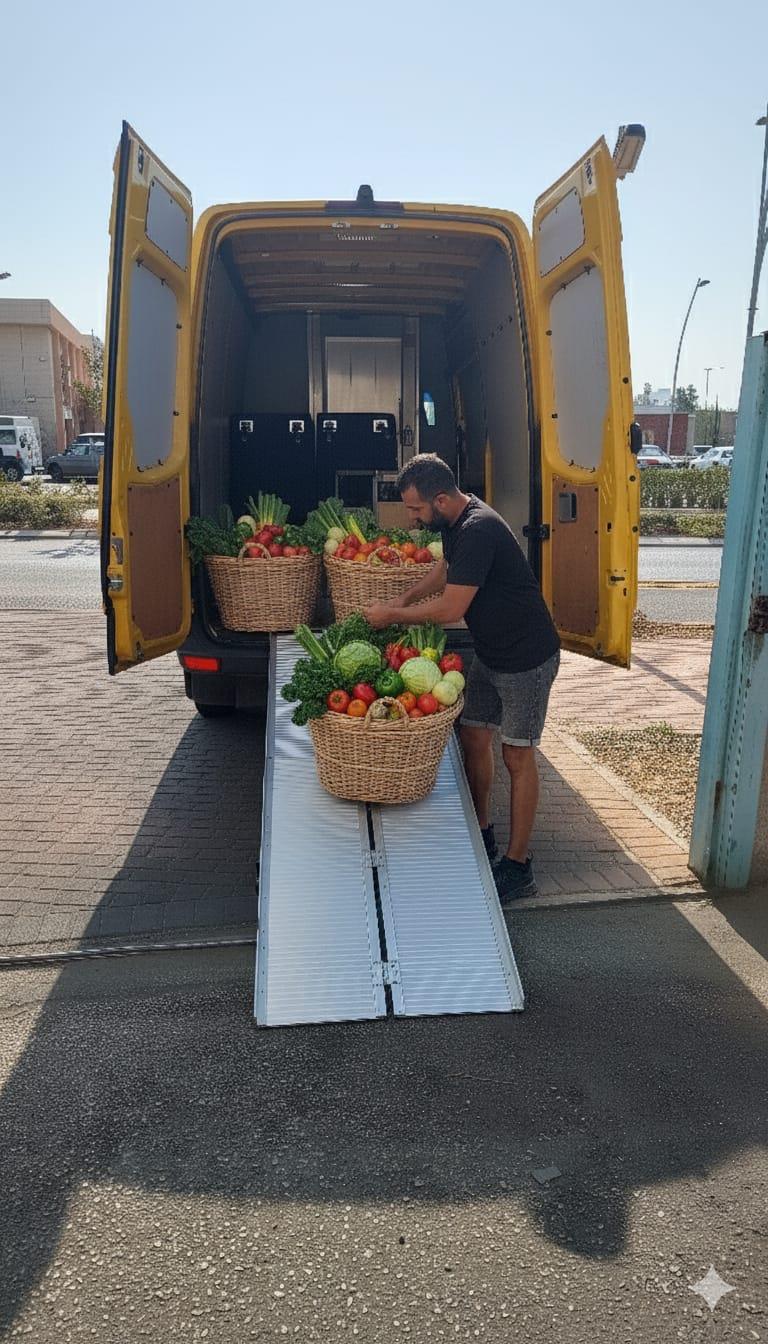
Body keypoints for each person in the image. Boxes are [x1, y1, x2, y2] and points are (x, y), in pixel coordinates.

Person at [364, 453, 560, 902]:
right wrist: (408, 594)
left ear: (440, 498)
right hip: (492, 654)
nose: (412, 519)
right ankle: (483, 832)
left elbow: (452, 609)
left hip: (527, 659)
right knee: (473, 738)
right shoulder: (454, 524)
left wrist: (392, 614)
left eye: (415, 510)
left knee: (517, 755)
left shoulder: (479, 528)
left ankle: (517, 865)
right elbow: (447, 570)